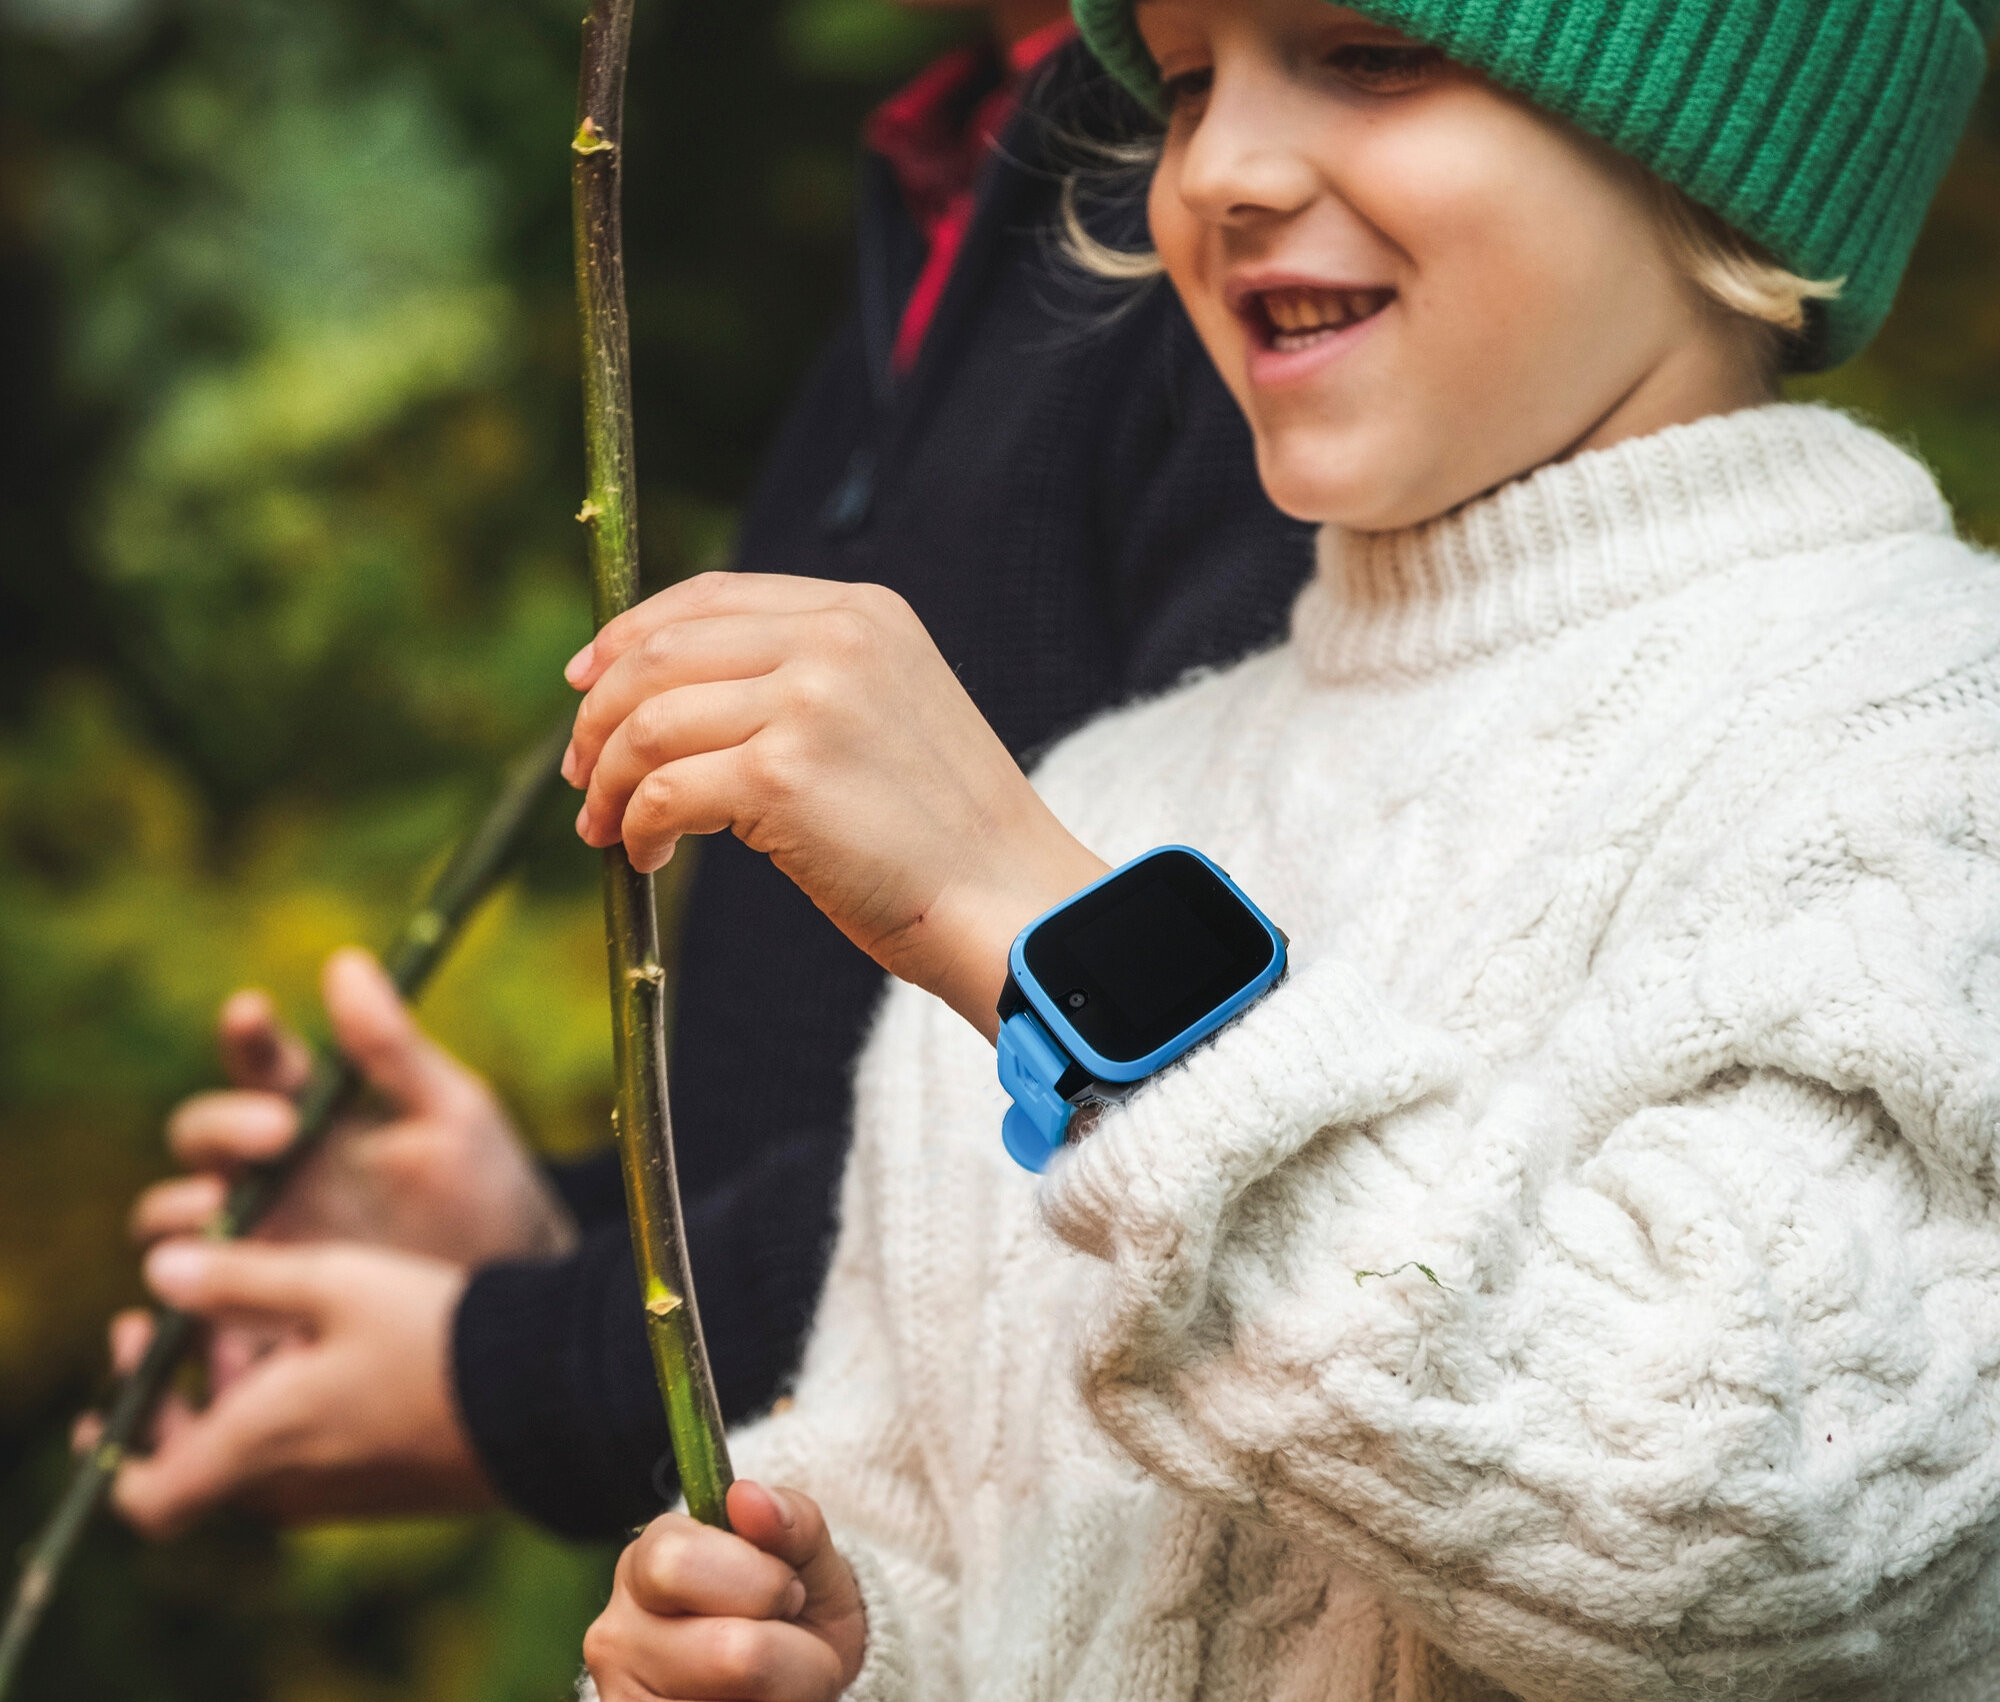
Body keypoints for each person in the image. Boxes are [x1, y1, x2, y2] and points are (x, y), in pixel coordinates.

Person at [568, 0, 2000, 1697]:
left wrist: (1051, 938)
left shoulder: (1930, 726)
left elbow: (1758, 1529)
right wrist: (825, 1650)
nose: (1220, 172)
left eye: (1371, 54)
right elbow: (959, 1541)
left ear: (1729, 142)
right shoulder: (1110, 784)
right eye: (1184, 85)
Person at [101, 0, 1315, 1541]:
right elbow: (902, 1069)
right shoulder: (955, 175)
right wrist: (559, 1235)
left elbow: (1177, 1124)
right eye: (1193, 88)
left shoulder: (1254, 260)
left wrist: (513, 1370)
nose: (1230, 147)